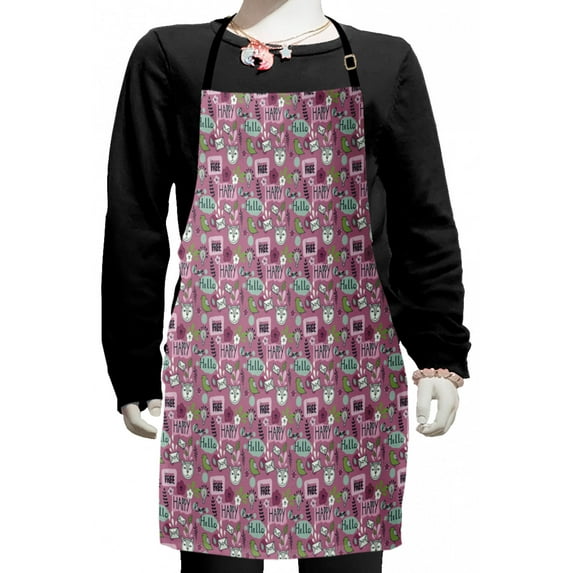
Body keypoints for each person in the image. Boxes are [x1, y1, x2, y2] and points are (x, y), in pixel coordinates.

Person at [101, 1, 471, 570]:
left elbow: (421, 219)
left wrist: (439, 354)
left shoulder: (383, 61)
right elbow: (135, 218)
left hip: (346, 371)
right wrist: (133, 364)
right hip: (220, 368)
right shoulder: (172, 56)